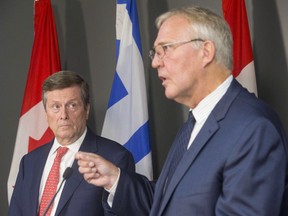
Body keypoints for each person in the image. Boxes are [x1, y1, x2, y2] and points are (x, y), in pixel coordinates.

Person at [75, 6, 288, 216]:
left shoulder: (253, 129)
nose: (156, 62)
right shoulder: (196, 121)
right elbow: (166, 199)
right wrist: (115, 179)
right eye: (155, 53)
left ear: (206, 52)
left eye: (165, 49)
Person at [8, 71, 135, 216]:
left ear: (86, 110)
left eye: (72, 105)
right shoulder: (29, 162)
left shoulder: (115, 158)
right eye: (56, 107)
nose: (63, 115)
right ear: (45, 113)